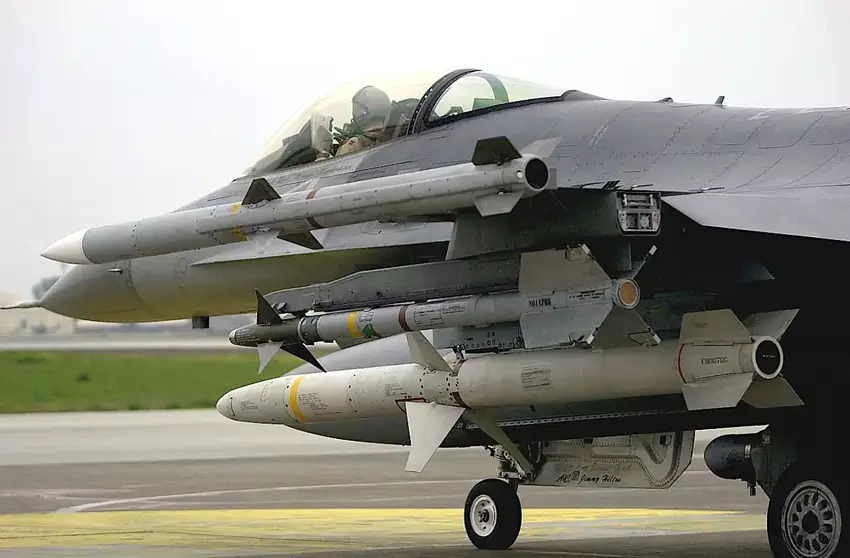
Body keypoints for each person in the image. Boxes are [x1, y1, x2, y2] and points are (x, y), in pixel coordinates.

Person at [335, 86, 391, 157]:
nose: (354, 113)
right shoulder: (392, 138)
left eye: (356, 108)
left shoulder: (355, 144)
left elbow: (337, 163)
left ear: (365, 110)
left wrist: (323, 153)